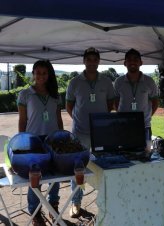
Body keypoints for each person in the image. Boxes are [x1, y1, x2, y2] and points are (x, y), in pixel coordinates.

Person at [65, 47, 115, 217]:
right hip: (79, 133)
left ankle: (106, 201)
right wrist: (80, 121)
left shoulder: (107, 81)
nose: (92, 62)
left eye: (95, 59)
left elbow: (110, 104)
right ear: (84, 61)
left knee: (105, 166)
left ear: (99, 61)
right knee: (78, 168)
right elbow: (69, 106)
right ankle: (76, 203)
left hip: (101, 133)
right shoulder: (75, 82)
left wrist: (100, 122)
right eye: (89, 59)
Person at [17, 60, 63, 226]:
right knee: (35, 178)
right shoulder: (25, 94)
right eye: (38, 72)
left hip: (52, 140)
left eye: (44, 73)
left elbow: (58, 119)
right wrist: (21, 142)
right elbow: (22, 120)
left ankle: (53, 205)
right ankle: (35, 211)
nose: (41, 76)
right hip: (33, 141)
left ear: (49, 74)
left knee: (55, 176)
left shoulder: (55, 95)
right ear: (33, 73)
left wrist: (61, 137)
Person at [114, 48, 159, 144]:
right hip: (123, 126)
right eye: (129, 59)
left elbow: (155, 103)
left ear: (141, 62)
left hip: (144, 126)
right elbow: (115, 102)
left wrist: (147, 117)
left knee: (144, 155)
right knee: (123, 154)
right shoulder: (119, 81)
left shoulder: (149, 81)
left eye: (135, 59)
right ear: (125, 63)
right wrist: (122, 116)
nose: (132, 62)